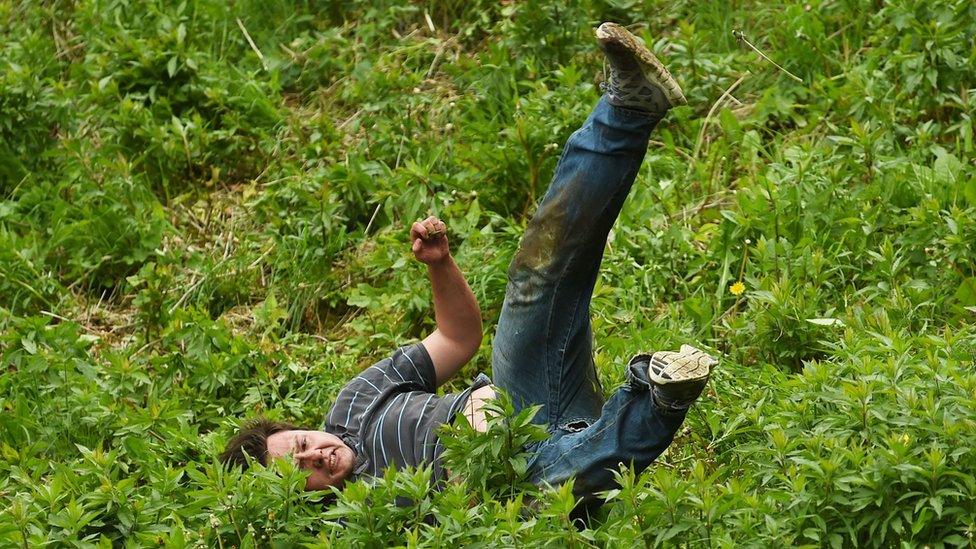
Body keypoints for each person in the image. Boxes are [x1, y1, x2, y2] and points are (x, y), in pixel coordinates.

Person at [220, 22, 717, 498]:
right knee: (546, 484)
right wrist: (472, 464)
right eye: (301, 473)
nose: (317, 457)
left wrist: (440, 267)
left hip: (520, 399)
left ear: (300, 428)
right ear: (298, 499)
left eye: (303, 446)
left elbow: (459, 339)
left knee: (536, 277)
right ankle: (657, 397)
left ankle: (627, 109)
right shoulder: (360, 514)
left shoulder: (355, 405)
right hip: (519, 477)